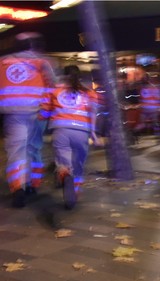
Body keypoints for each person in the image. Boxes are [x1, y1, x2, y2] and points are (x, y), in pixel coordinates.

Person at [0, 32, 56, 208]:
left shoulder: (3, 62)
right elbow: (53, 88)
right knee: (34, 148)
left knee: (16, 151)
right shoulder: (41, 63)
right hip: (37, 114)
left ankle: (18, 188)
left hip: (13, 114)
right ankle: (33, 184)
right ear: (32, 46)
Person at [39, 65, 101, 209]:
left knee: (64, 162)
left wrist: (43, 116)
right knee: (78, 164)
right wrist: (93, 133)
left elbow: (43, 114)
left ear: (62, 76)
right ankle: (75, 192)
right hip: (81, 132)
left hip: (61, 131)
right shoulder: (89, 93)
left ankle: (65, 174)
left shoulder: (54, 91)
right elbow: (93, 114)